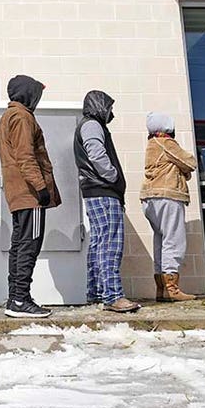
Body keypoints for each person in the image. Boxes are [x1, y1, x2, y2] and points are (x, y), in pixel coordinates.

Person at [0, 75, 61, 318]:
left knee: (20, 245)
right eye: (36, 94)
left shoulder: (9, 116)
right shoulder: (22, 117)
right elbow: (26, 155)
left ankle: (16, 297)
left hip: (18, 193)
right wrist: (41, 188)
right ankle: (21, 299)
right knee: (29, 245)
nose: (38, 99)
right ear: (27, 94)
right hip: (29, 193)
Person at [75, 91, 140, 313]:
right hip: (103, 190)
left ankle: (95, 293)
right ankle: (112, 296)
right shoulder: (92, 125)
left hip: (96, 191)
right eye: (110, 107)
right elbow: (96, 154)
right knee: (110, 244)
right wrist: (112, 176)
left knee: (98, 243)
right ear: (100, 106)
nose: (112, 112)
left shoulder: (89, 124)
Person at [140, 112, 197, 302]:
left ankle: (161, 289)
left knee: (160, 241)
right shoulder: (165, 142)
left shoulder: (151, 144)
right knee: (174, 240)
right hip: (167, 195)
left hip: (150, 197)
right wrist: (184, 170)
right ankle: (172, 288)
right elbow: (189, 162)